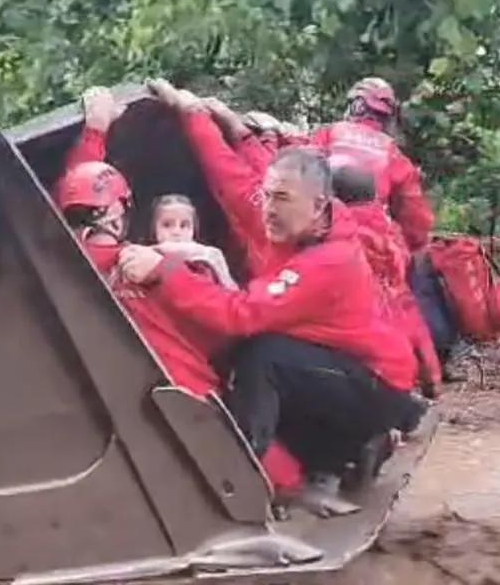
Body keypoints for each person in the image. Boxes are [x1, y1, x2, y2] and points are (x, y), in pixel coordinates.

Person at [129, 79, 425, 498]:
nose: (268, 209)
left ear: (320, 205)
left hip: (377, 383)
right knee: (263, 360)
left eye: (280, 199)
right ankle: (347, 453)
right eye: (268, 196)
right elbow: (235, 183)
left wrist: (164, 273)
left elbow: (240, 314)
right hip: (342, 362)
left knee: (262, 357)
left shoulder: (330, 260)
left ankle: (244, 479)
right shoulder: (294, 215)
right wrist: (201, 117)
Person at [57, 86, 306, 499]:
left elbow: (78, 193)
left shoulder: (64, 261)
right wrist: (215, 266)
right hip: (192, 398)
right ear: (127, 212)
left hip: (111, 404)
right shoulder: (162, 269)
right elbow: (232, 325)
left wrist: (95, 131)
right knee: (282, 468)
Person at [330, 161, 442, 398]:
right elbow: (416, 329)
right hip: (398, 345)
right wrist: (432, 377)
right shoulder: (391, 234)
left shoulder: (340, 236)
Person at [307, 77, 434, 251]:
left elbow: (298, 172)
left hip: (317, 232)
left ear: (355, 106)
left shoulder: (328, 134)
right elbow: (416, 218)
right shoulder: (393, 153)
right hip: (370, 242)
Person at [148, 194, 238, 289]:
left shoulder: (210, 260)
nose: (176, 232)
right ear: (154, 229)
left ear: (194, 229)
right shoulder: (144, 263)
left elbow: (230, 293)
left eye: (184, 225)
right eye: (167, 225)